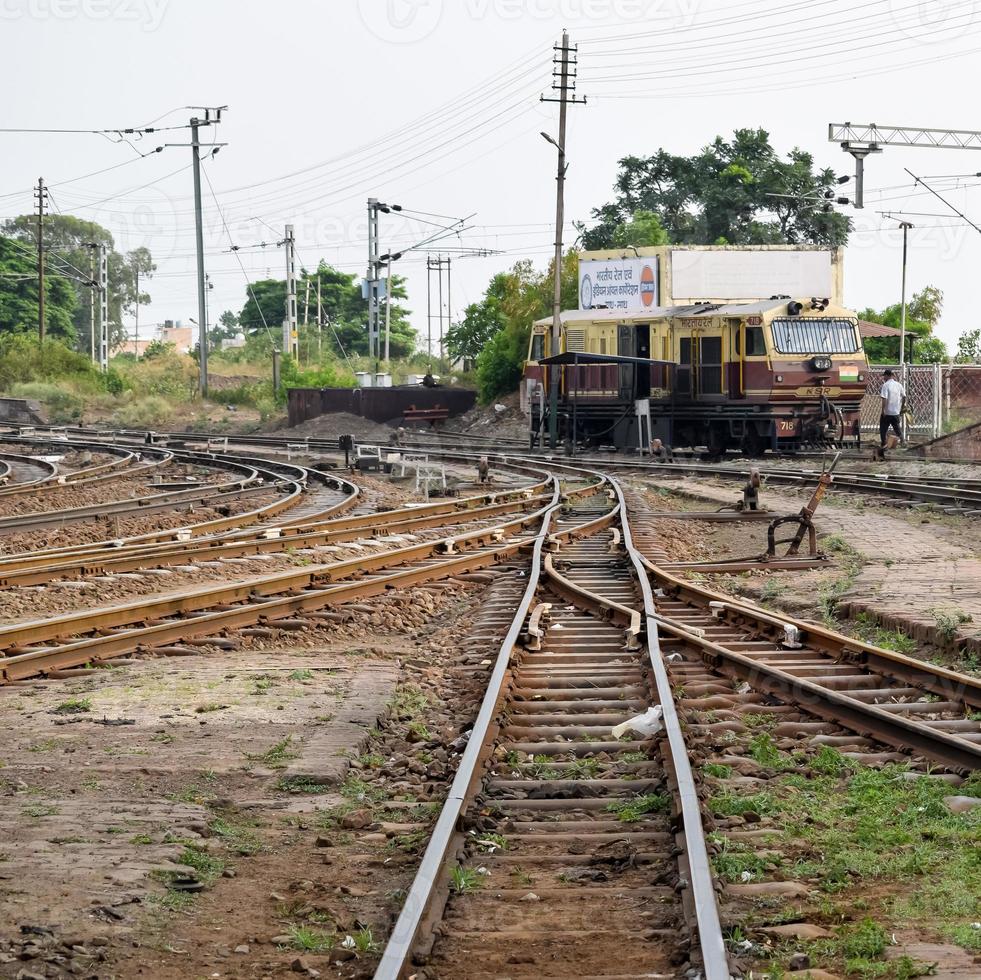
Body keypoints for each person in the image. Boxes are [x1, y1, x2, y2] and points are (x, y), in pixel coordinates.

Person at [879, 369, 905, 449]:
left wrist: (883, 410)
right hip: (896, 411)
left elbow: (884, 399)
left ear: (887, 376)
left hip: (887, 412)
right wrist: (902, 407)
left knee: (883, 429)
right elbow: (904, 397)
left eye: (884, 376)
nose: (883, 378)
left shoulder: (885, 385)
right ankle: (903, 441)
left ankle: (884, 444)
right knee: (897, 428)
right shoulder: (899, 385)